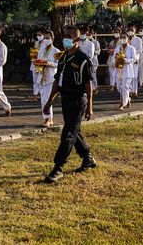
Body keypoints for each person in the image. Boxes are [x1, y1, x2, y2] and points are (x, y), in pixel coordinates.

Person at [43, 26, 96, 183]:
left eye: (69, 36)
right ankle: (87, 158)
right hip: (65, 99)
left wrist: (90, 107)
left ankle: (58, 167)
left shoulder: (83, 59)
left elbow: (88, 85)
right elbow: (57, 81)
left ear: (77, 39)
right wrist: (49, 101)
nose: (66, 38)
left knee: (68, 134)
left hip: (78, 100)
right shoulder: (63, 57)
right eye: (65, 35)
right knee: (75, 130)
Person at [36, 30, 60, 127]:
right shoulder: (41, 49)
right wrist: (37, 63)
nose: (45, 40)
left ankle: (48, 118)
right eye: (44, 38)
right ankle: (48, 118)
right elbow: (38, 60)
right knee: (43, 99)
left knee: (46, 98)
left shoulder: (56, 51)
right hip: (41, 76)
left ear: (52, 39)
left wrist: (48, 63)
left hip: (50, 77)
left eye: (48, 38)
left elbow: (58, 64)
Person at [114, 33, 138, 110]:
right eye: (121, 37)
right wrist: (115, 63)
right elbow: (114, 58)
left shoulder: (132, 48)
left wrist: (125, 60)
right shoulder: (117, 48)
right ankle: (127, 99)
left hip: (127, 70)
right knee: (119, 87)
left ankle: (122, 104)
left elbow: (134, 59)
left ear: (128, 39)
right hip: (118, 70)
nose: (123, 39)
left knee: (125, 87)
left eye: (124, 37)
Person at [127, 24, 143, 97]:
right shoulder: (126, 39)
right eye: (129, 30)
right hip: (127, 61)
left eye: (132, 30)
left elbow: (139, 50)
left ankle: (135, 91)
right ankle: (129, 91)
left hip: (135, 60)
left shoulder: (138, 39)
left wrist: (135, 58)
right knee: (128, 76)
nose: (130, 31)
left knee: (135, 76)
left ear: (135, 31)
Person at [30, 29, 44, 99]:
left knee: (41, 80)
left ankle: (42, 95)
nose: (38, 36)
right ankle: (35, 95)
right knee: (35, 80)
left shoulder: (45, 43)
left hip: (41, 63)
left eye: (40, 35)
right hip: (35, 62)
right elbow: (34, 52)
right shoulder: (36, 42)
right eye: (37, 35)